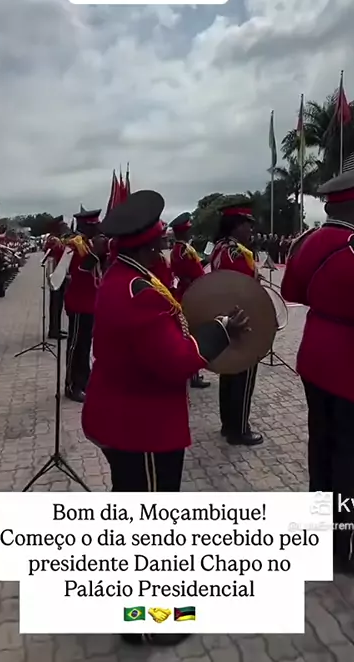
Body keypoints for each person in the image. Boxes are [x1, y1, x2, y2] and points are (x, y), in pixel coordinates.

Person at [82, 190, 248, 648]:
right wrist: (220, 332)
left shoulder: (125, 276)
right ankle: (149, 622)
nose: (163, 251)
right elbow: (178, 363)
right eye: (158, 244)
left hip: (121, 414)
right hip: (142, 425)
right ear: (147, 245)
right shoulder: (138, 292)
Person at [280, 169, 354, 580]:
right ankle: (348, 550)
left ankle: (318, 538)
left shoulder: (307, 242)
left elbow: (291, 292)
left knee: (323, 451)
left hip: (316, 358)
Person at [210, 201, 263, 446]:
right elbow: (245, 289)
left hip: (225, 318)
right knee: (243, 373)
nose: (250, 230)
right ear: (235, 226)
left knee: (229, 372)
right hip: (242, 319)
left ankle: (227, 424)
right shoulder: (237, 253)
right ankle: (239, 429)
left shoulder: (220, 248)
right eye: (246, 225)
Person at [64, 209, 107, 403]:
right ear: (83, 226)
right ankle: (72, 385)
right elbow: (78, 271)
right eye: (93, 225)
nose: (97, 228)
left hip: (91, 302)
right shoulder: (73, 246)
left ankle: (84, 380)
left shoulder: (90, 244)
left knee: (85, 345)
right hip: (78, 303)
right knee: (76, 346)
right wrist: (96, 253)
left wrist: (102, 253)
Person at [169, 211, 209, 389]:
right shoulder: (184, 250)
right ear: (183, 232)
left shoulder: (177, 250)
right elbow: (193, 272)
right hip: (191, 292)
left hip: (186, 290)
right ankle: (193, 375)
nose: (190, 233)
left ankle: (193, 373)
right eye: (188, 230)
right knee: (193, 332)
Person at [45, 216, 68, 340]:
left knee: (58, 305)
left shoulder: (59, 238)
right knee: (55, 303)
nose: (65, 227)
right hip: (55, 273)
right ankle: (53, 330)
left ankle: (56, 328)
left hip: (60, 272)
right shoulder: (53, 239)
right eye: (62, 225)